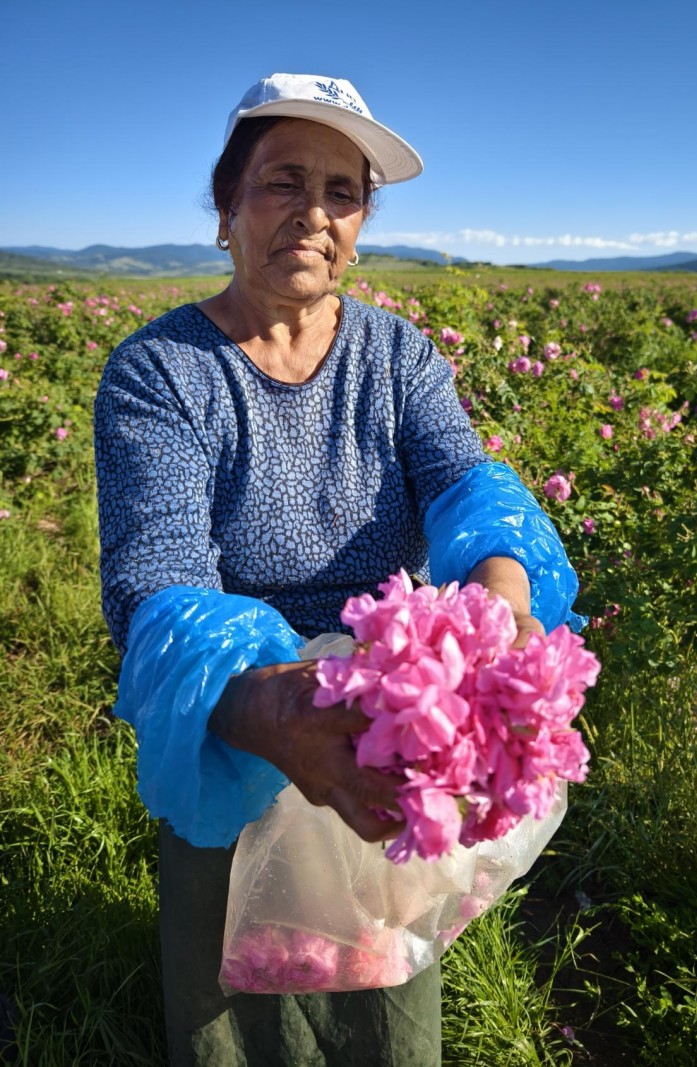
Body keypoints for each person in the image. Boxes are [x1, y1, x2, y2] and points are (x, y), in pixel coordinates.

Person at [94, 72, 583, 1067]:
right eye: (281, 182)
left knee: (377, 971)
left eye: (341, 191)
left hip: (382, 716)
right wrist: (275, 708)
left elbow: (464, 483)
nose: (312, 214)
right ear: (227, 206)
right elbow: (160, 580)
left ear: (359, 223)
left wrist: (499, 599)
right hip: (238, 721)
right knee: (230, 978)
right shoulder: (161, 372)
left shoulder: (394, 355)